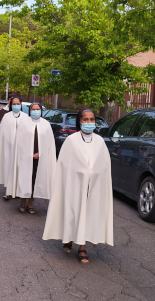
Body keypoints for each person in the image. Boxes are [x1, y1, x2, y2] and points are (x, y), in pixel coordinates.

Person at [42, 108, 113, 264]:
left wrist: (95, 174)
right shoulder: (72, 140)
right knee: (73, 213)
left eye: (92, 119)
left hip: (92, 187)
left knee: (87, 215)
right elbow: (64, 165)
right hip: (73, 185)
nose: (89, 123)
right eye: (85, 119)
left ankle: (82, 247)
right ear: (80, 121)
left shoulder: (100, 141)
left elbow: (104, 165)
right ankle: (68, 238)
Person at [14, 103, 56, 214]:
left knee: (35, 180)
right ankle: (22, 202)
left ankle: (30, 203)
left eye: (38, 109)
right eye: (33, 109)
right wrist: (28, 154)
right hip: (26, 158)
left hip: (40, 158)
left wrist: (41, 153)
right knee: (25, 179)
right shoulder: (24, 123)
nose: (36, 111)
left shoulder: (46, 124)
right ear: (30, 111)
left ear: (41, 111)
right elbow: (19, 143)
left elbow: (49, 144)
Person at [0, 96, 30, 200]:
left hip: (21, 148)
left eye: (18, 104)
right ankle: (8, 191)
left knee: (19, 167)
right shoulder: (7, 117)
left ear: (21, 104)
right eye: (14, 104)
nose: (16, 106)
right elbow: (4, 133)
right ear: (11, 105)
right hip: (9, 147)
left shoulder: (26, 117)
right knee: (9, 166)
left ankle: (17, 190)